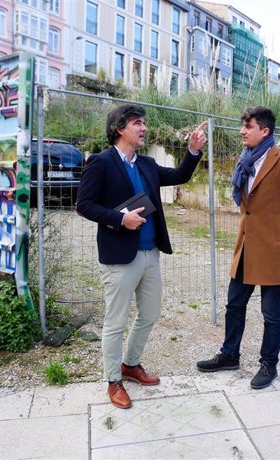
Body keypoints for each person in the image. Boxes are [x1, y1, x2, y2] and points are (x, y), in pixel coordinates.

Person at [76, 104, 206, 409]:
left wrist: (193, 151)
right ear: (120, 128)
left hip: (150, 254)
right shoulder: (101, 162)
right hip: (120, 256)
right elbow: (84, 205)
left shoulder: (146, 164)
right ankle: (113, 380)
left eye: (144, 123)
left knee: (149, 313)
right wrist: (120, 219)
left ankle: (131, 365)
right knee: (116, 321)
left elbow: (179, 176)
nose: (144, 128)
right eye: (138, 123)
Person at [196, 106, 280, 389]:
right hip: (247, 246)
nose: (242, 131)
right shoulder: (246, 160)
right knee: (234, 304)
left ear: (265, 131)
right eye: (242, 125)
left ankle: (268, 364)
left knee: (271, 312)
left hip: (274, 250)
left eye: (248, 126)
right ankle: (229, 355)